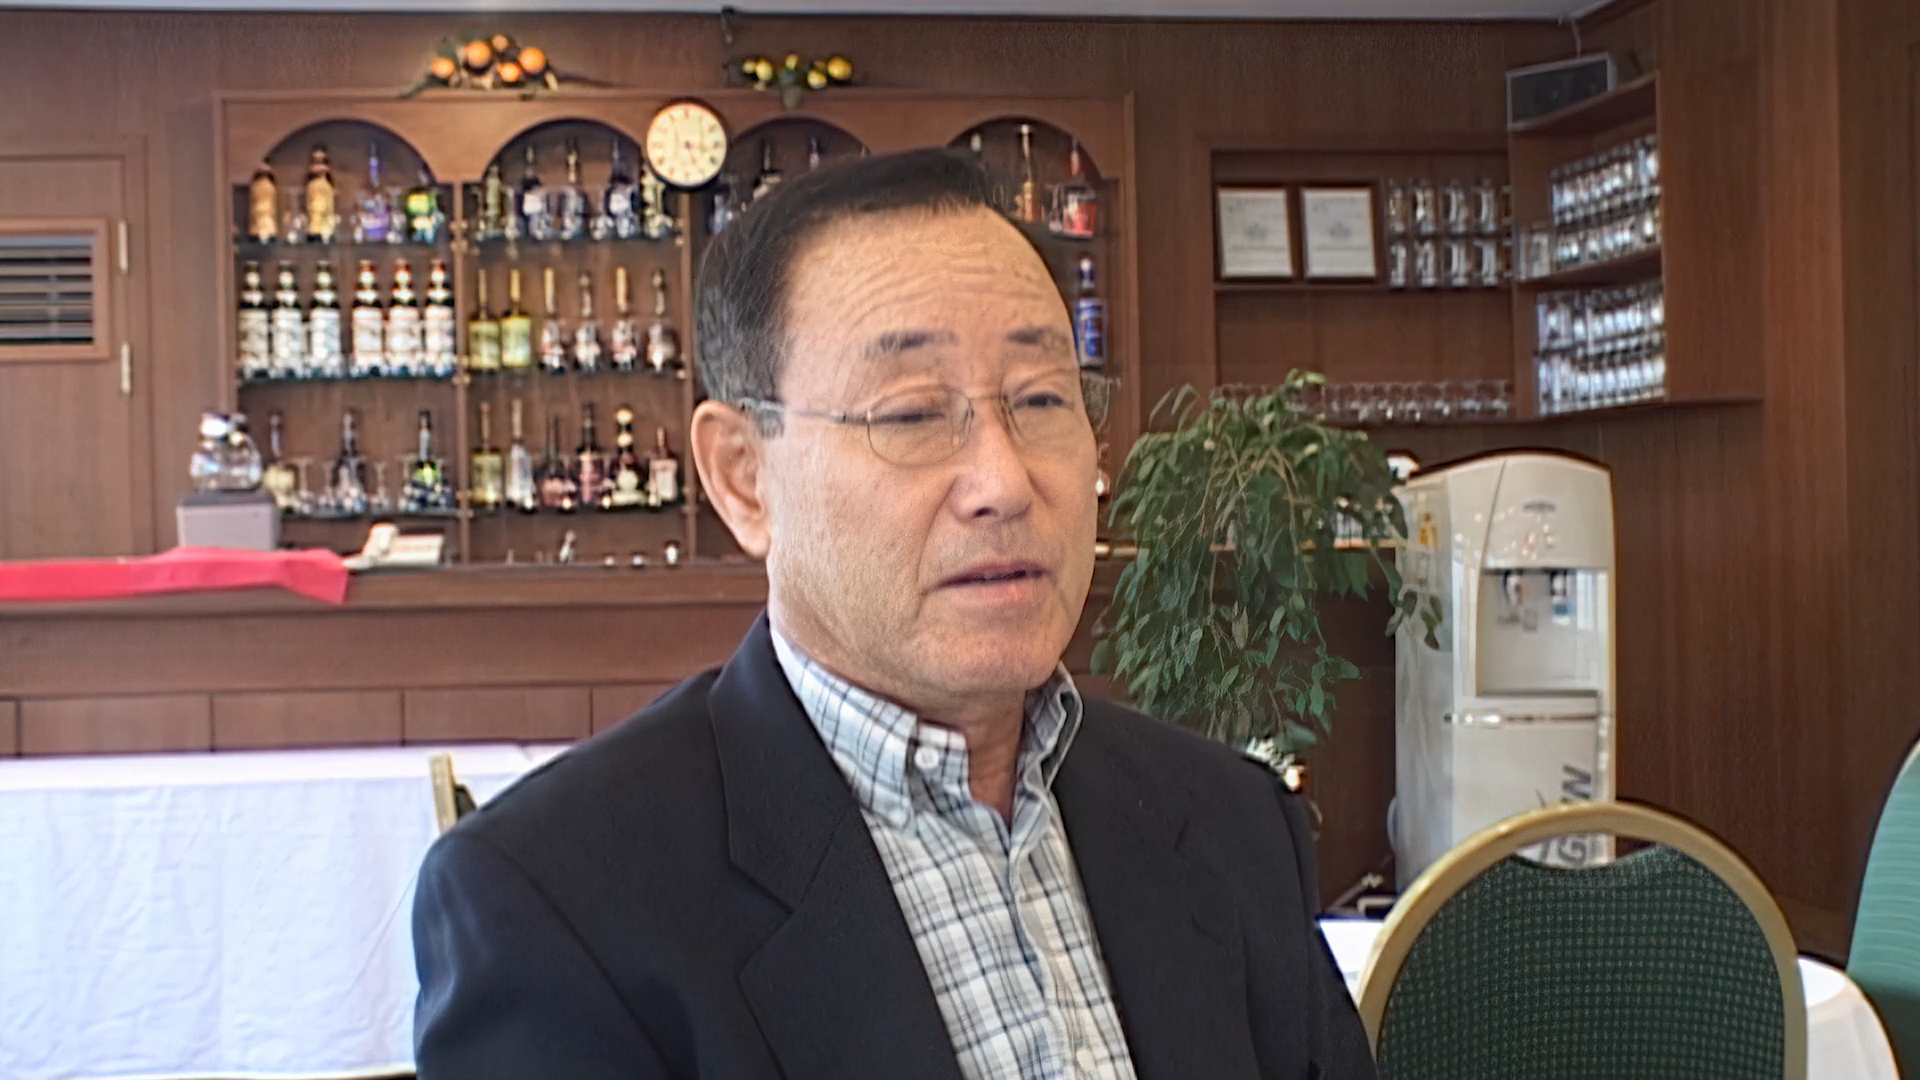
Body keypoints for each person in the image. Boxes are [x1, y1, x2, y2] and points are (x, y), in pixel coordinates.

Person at [412, 148, 1375, 1080]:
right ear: (743, 477)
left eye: (1044, 399)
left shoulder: (1231, 822)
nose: (1004, 482)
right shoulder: (554, 905)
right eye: (912, 414)